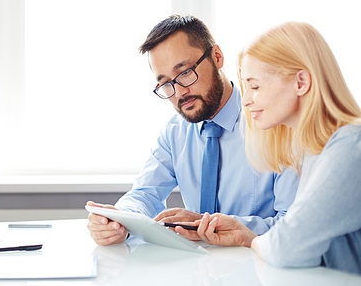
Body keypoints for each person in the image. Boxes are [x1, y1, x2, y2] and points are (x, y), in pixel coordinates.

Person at [87, 15, 300, 246]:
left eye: (185, 73)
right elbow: (144, 193)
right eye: (166, 83)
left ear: (217, 57)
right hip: (198, 270)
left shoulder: (276, 124)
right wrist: (118, 222)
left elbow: (292, 224)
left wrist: (212, 225)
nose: (179, 93)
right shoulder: (175, 133)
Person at [186, 21, 361, 275]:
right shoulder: (314, 150)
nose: (245, 100)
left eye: (254, 86)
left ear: (301, 82)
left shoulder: (349, 148)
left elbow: (286, 247)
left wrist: (255, 241)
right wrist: (246, 236)